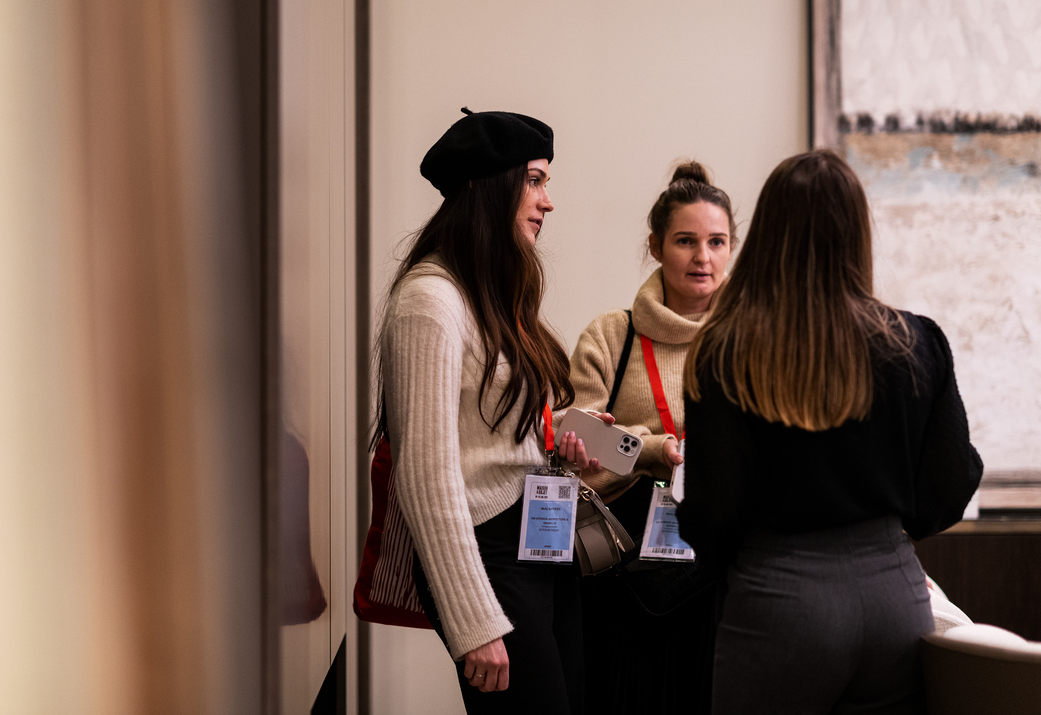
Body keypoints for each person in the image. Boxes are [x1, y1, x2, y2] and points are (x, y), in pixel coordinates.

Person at [677, 149, 983, 714]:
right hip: (895, 595)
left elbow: (712, 509)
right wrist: (887, 537)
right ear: (857, 231)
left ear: (766, 233)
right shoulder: (918, 342)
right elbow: (952, 483)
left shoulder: (724, 350)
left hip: (780, 598)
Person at [374, 108, 604, 714]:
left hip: (537, 545)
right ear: (488, 186)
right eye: (534, 180)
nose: (547, 201)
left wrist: (557, 447)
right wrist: (473, 619)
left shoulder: (490, 294)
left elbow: (487, 438)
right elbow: (427, 475)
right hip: (489, 554)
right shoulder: (430, 301)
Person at [567, 162, 737, 714]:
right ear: (656, 246)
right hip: (622, 573)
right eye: (686, 241)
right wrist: (651, 450)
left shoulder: (752, 340)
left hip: (724, 571)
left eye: (717, 241)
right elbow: (577, 449)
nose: (702, 257)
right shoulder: (610, 335)